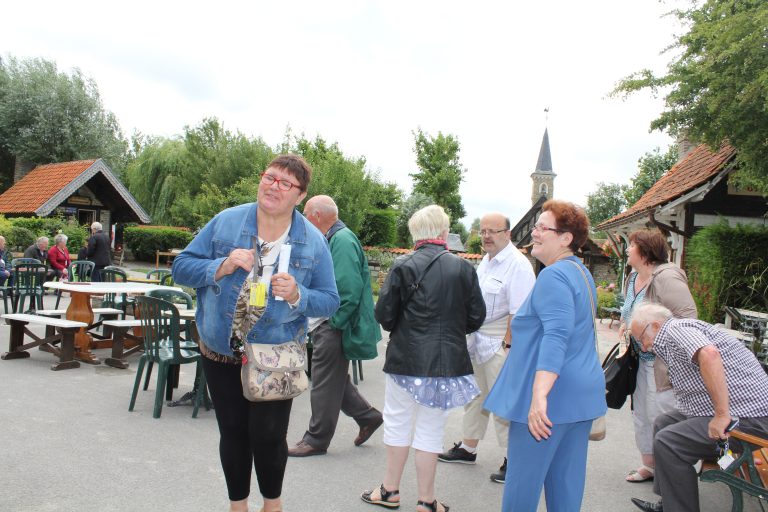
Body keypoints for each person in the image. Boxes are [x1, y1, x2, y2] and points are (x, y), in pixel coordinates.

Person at [172, 154, 340, 512]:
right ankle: (238, 506)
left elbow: (329, 301)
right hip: (221, 348)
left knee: (269, 436)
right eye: (269, 177)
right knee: (232, 432)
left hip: (276, 354)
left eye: (285, 183)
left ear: (300, 195)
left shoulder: (313, 241)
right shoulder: (226, 222)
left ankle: (272, 505)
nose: (273, 186)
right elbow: (181, 268)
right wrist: (222, 265)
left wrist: (298, 294)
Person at [361, 204, 485, 512]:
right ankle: (427, 501)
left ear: (415, 232)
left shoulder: (403, 265)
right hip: (445, 363)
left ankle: (390, 491)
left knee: (397, 421)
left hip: (405, 359)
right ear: (444, 232)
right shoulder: (464, 268)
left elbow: (384, 315)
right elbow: (476, 317)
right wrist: (451, 329)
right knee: (431, 428)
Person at [484, 199, 607, 512]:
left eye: (542, 228)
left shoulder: (554, 276)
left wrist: (539, 397)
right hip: (578, 395)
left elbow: (556, 336)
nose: (534, 233)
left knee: (521, 491)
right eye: (536, 226)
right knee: (565, 488)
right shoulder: (580, 272)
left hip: (550, 397)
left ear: (565, 238)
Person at [628, 302, 768, 512]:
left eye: (641, 339)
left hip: (752, 418)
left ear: (655, 326)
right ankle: (668, 504)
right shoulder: (673, 334)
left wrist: (721, 415)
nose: (643, 347)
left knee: (669, 442)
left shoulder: (675, 330)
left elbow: (709, 354)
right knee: (664, 423)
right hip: (743, 412)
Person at [439, 212, 535, 484]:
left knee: (505, 403)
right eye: (483, 231)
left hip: (502, 339)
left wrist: (510, 347)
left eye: (493, 231)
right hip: (479, 338)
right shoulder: (486, 261)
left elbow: (520, 313)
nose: (486, 236)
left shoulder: (518, 265)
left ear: (508, 234)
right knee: (475, 396)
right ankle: (468, 448)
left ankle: (515, 461)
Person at [289, 195, 383, 457]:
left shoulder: (340, 240)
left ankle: (316, 440)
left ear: (317, 216)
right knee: (333, 379)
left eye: (306, 214)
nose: (303, 219)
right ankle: (368, 417)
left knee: (322, 382)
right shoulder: (336, 238)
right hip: (331, 322)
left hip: (334, 323)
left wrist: (333, 324)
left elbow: (348, 290)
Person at [618, 229, 697, 483]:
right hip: (639, 359)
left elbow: (688, 317)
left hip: (662, 363)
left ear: (644, 251)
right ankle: (649, 466)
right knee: (641, 413)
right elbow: (629, 309)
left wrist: (659, 339)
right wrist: (625, 324)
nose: (627, 250)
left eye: (631, 245)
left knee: (661, 415)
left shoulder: (667, 277)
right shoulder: (633, 277)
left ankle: (669, 472)